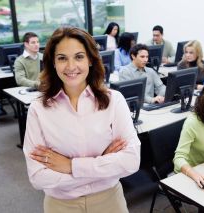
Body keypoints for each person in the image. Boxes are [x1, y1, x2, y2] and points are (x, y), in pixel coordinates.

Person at [23, 27, 140, 212]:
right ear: (53, 62)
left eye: (79, 56)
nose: (70, 66)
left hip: (109, 200)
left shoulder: (114, 100)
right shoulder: (38, 109)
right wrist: (103, 165)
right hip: (61, 205)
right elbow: (38, 177)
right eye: (62, 58)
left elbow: (131, 161)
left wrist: (70, 166)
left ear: (91, 60)